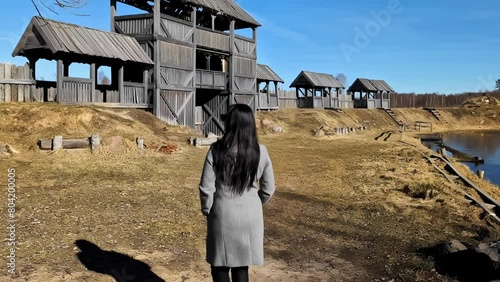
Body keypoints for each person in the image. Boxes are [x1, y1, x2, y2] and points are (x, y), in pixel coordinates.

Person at [199, 103, 275, 282]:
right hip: (250, 216)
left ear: (230, 124)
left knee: (220, 265)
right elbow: (269, 188)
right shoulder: (260, 151)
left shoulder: (216, 150)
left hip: (222, 213)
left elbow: (206, 187)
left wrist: (207, 209)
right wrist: (256, 203)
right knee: (242, 266)